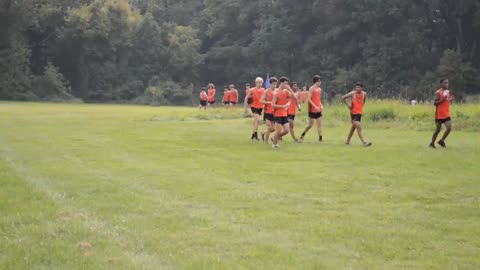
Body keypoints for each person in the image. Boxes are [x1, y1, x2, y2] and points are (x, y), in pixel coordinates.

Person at [342, 82, 372, 147]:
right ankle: (364, 142)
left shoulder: (364, 94)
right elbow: (343, 98)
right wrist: (348, 106)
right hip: (353, 113)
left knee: (353, 128)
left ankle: (347, 142)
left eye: (358, 87)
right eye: (356, 87)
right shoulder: (352, 93)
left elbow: (364, 101)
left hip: (359, 113)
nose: (357, 88)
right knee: (359, 126)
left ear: (362, 88)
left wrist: (361, 106)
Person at [271, 77, 298, 148]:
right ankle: (274, 144)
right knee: (278, 131)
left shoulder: (286, 91)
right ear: (281, 83)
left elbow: (295, 98)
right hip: (277, 114)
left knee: (286, 130)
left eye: (287, 84)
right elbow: (272, 105)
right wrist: (283, 106)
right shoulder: (276, 93)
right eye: (285, 84)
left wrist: (290, 89)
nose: (287, 85)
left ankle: (274, 138)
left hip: (284, 114)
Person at [430, 79, 453, 148]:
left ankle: (441, 141)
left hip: (446, 114)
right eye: (445, 83)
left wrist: (451, 100)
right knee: (438, 130)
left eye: (447, 83)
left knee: (449, 128)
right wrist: (442, 100)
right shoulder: (438, 92)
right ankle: (432, 143)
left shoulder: (448, 92)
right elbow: (435, 103)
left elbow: (448, 101)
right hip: (439, 115)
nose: (446, 84)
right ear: (441, 84)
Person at [300, 76, 323, 142]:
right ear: (316, 82)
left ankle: (320, 138)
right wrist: (315, 106)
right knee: (310, 125)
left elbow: (319, 99)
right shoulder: (311, 88)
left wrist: (321, 104)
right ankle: (303, 134)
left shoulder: (319, 89)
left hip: (318, 109)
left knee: (319, 124)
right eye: (319, 81)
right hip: (312, 109)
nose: (320, 82)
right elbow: (309, 99)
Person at [260, 77, 277, 144]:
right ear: (270, 84)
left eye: (275, 84)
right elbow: (261, 101)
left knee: (274, 128)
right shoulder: (266, 91)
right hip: (267, 112)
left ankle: (263, 133)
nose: (274, 85)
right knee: (269, 127)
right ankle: (266, 142)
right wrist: (270, 102)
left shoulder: (277, 91)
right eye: (273, 84)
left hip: (275, 112)